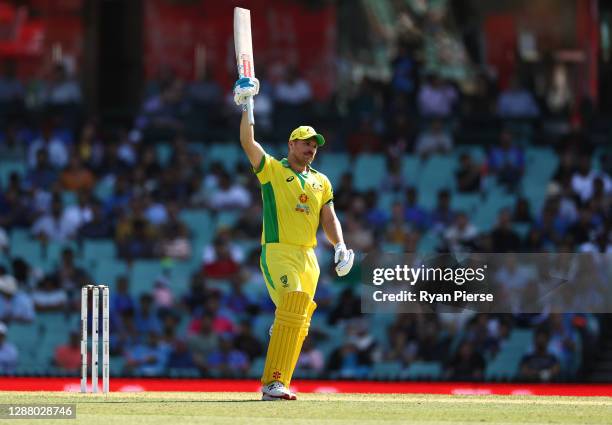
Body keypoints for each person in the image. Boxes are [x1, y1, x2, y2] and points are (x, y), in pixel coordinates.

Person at [233, 76, 354, 401]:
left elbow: (328, 217)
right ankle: (271, 384)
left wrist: (339, 245)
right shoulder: (273, 169)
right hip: (278, 251)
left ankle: (280, 378)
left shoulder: (321, 181)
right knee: (294, 302)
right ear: (291, 144)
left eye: (314, 144)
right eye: (305, 143)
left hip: (309, 257)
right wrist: (247, 105)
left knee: (300, 321)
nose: (311, 148)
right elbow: (248, 142)